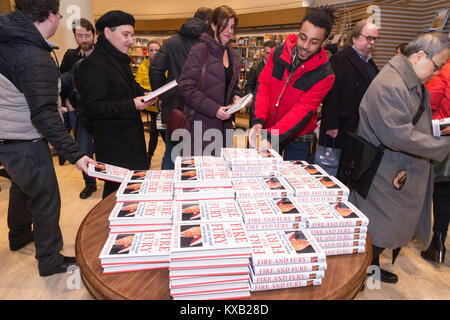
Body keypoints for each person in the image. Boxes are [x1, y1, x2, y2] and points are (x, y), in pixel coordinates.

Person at [0, 0, 94, 277]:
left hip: (5, 135)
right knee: (46, 199)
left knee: (20, 187)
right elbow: (43, 114)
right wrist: (76, 154)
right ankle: (50, 259)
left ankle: (18, 235)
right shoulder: (33, 54)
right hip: (24, 138)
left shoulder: (9, 38)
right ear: (51, 16)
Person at [349, 32, 450, 283]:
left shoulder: (407, 79)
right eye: (437, 65)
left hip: (396, 170)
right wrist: (442, 144)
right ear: (418, 56)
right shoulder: (391, 83)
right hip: (383, 172)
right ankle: (359, 277)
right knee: (377, 229)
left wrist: (436, 131)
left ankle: (369, 270)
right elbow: (397, 134)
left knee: (385, 230)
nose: (437, 73)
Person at [75, 10, 156, 198]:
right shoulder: (94, 64)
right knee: (115, 199)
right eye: (125, 34)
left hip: (131, 143)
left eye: (132, 35)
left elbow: (126, 86)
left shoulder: (118, 60)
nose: (130, 40)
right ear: (107, 32)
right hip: (115, 147)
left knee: (133, 196)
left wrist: (143, 93)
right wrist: (131, 105)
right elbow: (93, 107)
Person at [249, 6, 337, 161]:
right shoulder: (278, 53)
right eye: (302, 38)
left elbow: (302, 111)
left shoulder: (325, 74)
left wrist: (271, 135)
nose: (304, 46)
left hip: (299, 136)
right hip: (268, 127)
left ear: (323, 43)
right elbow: (264, 87)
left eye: (314, 42)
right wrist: (258, 120)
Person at [149, 7, 212, 169]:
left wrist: (164, 95)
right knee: (199, 153)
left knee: (171, 150)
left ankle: (167, 189)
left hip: (175, 108)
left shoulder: (171, 42)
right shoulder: (209, 43)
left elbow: (155, 70)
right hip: (202, 109)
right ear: (208, 22)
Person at [177, 5, 241, 157]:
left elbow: (231, 86)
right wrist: (215, 110)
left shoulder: (232, 55)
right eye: (224, 26)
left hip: (225, 128)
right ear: (213, 25)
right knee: (201, 176)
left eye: (232, 27)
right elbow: (186, 87)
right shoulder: (200, 50)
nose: (229, 31)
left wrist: (237, 97)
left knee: (222, 175)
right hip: (201, 127)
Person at [319, 20, 379, 150]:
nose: (372, 42)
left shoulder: (370, 63)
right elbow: (331, 94)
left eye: (375, 39)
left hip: (360, 126)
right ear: (355, 38)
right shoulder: (340, 59)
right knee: (333, 165)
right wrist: (331, 124)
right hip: (342, 125)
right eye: (368, 38)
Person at [59, 18, 97, 199]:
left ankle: (111, 181)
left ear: (94, 35)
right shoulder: (69, 56)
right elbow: (61, 83)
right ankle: (90, 183)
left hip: (100, 110)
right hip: (77, 111)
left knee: (106, 147)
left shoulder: (102, 54)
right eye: (79, 35)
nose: (84, 39)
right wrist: (67, 104)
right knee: (83, 149)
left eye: (87, 35)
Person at [422, 55, 450, 264]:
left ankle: (437, 242)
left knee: (441, 192)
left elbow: (427, 104)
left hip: (443, 140)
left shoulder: (444, 72)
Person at [135, 40, 162, 167]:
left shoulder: (164, 65)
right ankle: (149, 157)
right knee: (155, 131)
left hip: (162, 104)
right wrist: (150, 92)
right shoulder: (142, 67)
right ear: (148, 51)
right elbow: (138, 84)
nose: (154, 52)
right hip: (150, 105)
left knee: (158, 131)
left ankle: (149, 157)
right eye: (151, 50)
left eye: (156, 50)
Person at [244, 40, 277, 127]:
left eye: (272, 53)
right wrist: (253, 98)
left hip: (272, 113)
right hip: (257, 111)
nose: (270, 56)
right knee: (255, 138)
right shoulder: (256, 68)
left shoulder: (278, 69)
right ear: (263, 53)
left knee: (271, 139)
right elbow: (248, 87)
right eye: (267, 53)